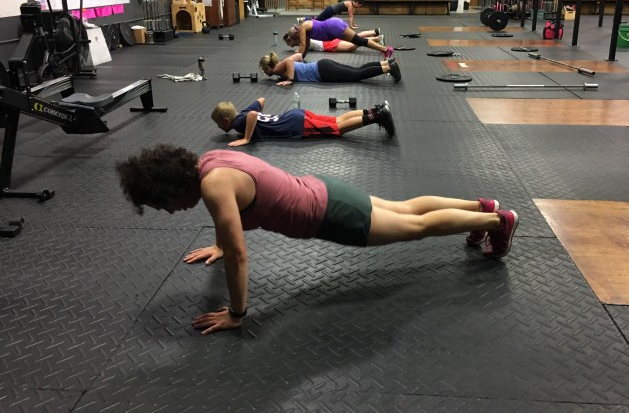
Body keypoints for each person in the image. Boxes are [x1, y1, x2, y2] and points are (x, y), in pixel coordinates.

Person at [116, 145, 519, 335]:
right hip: (324, 191)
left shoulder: (213, 187)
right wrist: (220, 244)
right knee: (408, 209)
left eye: (162, 204)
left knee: (417, 227)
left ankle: (497, 221)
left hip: (330, 215)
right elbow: (233, 220)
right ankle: (480, 207)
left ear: (170, 189)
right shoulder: (209, 162)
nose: (168, 212)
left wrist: (237, 314)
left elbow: (239, 256)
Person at [211, 97, 396, 144]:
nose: (219, 128)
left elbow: (252, 116)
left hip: (296, 126)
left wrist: (246, 138)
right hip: (294, 114)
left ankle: (377, 116)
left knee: (337, 129)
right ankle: (375, 109)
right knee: (337, 119)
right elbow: (261, 100)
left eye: (218, 124)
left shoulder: (238, 124)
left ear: (226, 121)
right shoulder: (242, 112)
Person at [258, 51, 401, 84]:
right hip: (322, 65)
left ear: (268, 67)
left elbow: (290, 61)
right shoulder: (280, 67)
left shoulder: (277, 68)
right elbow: (299, 55)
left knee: (356, 75)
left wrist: (290, 79)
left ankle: (389, 68)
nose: (265, 72)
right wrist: (303, 65)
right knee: (357, 70)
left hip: (322, 71)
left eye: (264, 70)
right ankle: (387, 63)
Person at [285, 18, 393, 59]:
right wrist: (302, 58)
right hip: (332, 27)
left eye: (296, 38)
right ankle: (384, 48)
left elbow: (303, 45)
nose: (298, 40)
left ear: (297, 33)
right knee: (358, 40)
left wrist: (295, 61)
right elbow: (306, 46)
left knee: (359, 41)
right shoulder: (305, 31)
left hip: (333, 27)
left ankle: (385, 49)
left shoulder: (303, 27)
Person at [287, 29, 384, 54]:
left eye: (289, 43)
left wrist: (299, 52)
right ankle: (376, 36)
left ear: (292, 39)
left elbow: (303, 47)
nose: (289, 45)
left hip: (327, 44)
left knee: (353, 45)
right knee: (355, 39)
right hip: (327, 43)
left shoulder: (302, 41)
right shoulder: (302, 42)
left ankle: (377, 38)